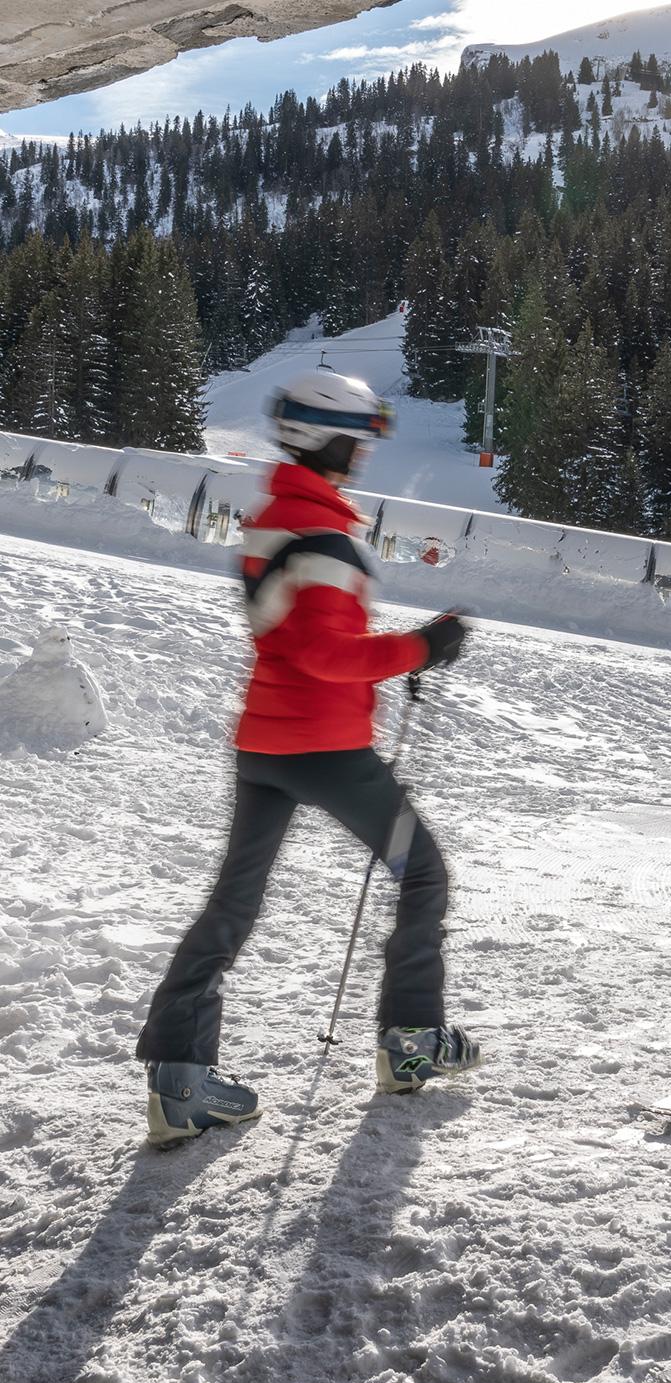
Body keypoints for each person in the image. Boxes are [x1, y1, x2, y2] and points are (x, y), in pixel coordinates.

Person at [136, 370, 481, 1146]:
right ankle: (413, 1040)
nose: (361, 456)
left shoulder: (279, 514)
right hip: (326, 747)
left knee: (233, 902)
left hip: (262, 743)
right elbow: (327, 655)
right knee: (421, 871)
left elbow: (291, 640)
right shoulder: (323, 535)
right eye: (356, 441)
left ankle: (180, 1080)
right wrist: (424, 645)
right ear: (323, 437)